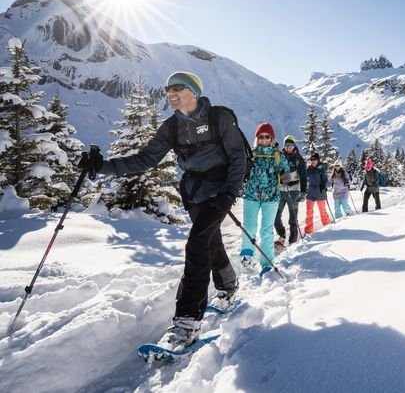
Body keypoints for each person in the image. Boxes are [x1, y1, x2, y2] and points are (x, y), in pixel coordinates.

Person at [77, 71, 245, 351]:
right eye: (168, 88)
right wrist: (102, 166)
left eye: (177, 87)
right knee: (209, 241)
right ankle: (228, 286)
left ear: (193, 91)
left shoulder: (219, 118)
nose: (170, 92)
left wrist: (230, 192)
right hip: (194, 193)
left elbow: (238, 156)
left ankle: (187, 321)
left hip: (220, 192)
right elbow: (144, 160)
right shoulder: (171, 127)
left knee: (197, 244)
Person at [240, 122, 289, 276]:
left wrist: (285, 176)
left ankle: (266, 263)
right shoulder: (252, 154)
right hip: (252, 195)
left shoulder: (278, 155)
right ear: (257, 138)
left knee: (266, 230)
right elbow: (243, 170)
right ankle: (247, 254)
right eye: (261, 137)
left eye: (267, 136)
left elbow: (286, 171)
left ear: (272, 138)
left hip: (271, 197)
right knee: (249, 226)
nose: (264, 139)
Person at [274, 135, 307, 244]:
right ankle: (282, 234)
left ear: (294, 145)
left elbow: (303, 176)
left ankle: (293, 241)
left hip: (294, 191)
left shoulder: (298, 159)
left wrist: (303, 192)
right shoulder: (279, 156)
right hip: (280, 191)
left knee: (293, 219)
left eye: (291, 145)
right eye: (286, 144)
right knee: (275, 217)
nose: (288, 147)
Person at [304, 152, 330, 234]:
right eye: (311, 160)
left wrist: (324, 184)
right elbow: (303, 177)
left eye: (314, 159)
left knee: (322, 212)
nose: (313, 161)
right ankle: (308, 230)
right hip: (311, 192)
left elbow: (326, 180)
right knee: (309, 212)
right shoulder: (309, 169)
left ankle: (327, 226)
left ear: (318, 160)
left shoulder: (322, 168)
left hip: (320, 193)